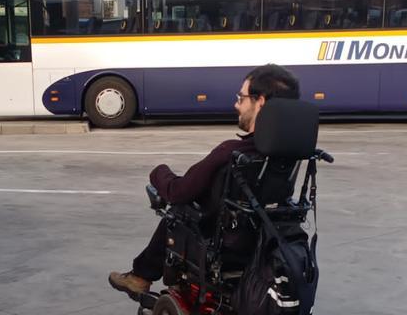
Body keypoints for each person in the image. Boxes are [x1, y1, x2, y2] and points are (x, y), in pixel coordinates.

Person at [108, 63, 301, 299]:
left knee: (178, 210)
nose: (236, 104)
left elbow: (178, 191)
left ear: (260, 101)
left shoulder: (232, 152)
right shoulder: (294, 153)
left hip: (224, 242)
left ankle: (141, 276)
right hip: (268, 238)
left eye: (240, 97)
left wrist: (158, 171)